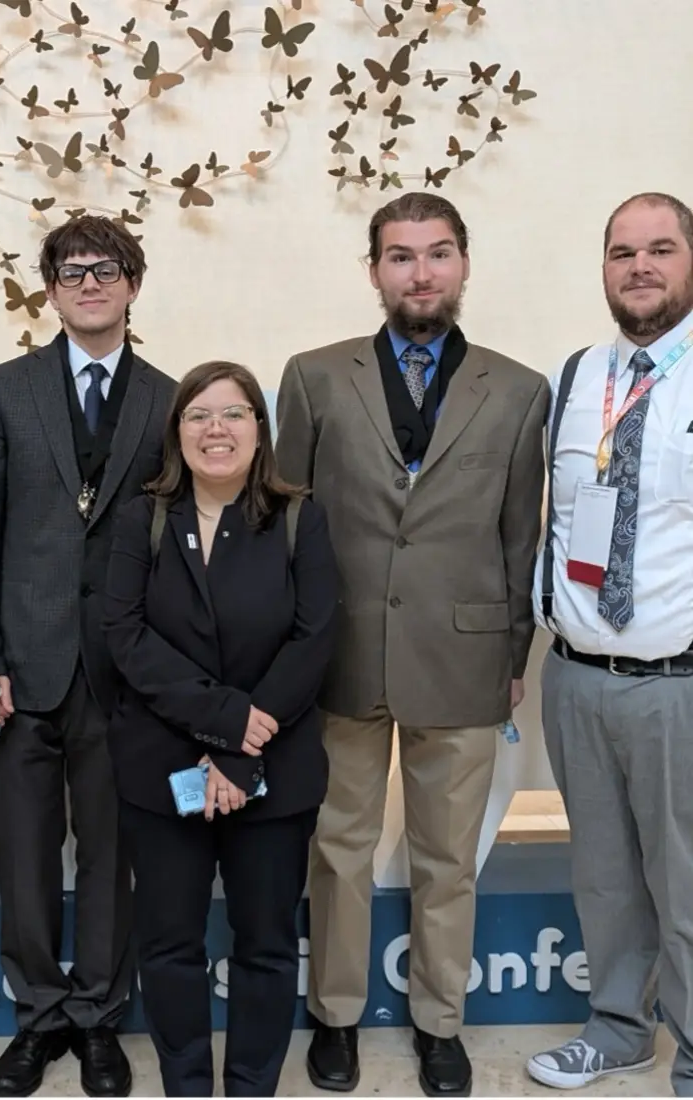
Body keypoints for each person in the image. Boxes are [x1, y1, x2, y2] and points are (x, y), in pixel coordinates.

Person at [275, 192, 549, 1098]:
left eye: (437, 254)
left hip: (466, 661)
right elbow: (290, 529)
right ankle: (338, 1016)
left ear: (464, 263)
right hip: (342, 654)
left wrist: (511, 659)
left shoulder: (518, 391)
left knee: (447, 856)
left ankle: (440, 1023)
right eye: (401, 256)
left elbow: (521, 537)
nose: (420, 273)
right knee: (339, 847)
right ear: (374, 270)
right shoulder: (315, 377)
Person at [0, 214, 176, 1098]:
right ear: (50, 287)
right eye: (73, 270)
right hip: (20, 669)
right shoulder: (2, 389)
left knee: (111, 860)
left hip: (124, 675)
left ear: (132, 283)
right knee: (24, 855)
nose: (90, 283)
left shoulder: (168, 397)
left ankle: (97, 1020)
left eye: (108, 268)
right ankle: (37, 1016)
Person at [102, 360, 337, 1096]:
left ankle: (250, 1085)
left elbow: (315, 638)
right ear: (177, 431)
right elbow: (124, 632)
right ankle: (188, 1084)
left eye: (233, 413)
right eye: (198, 415)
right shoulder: (144, 517)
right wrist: (224, 724)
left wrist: (242, 754)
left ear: (260, 429)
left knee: (266, 943)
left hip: (275, 769)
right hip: (161, 762)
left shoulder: (301, 515)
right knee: (169, 943)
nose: (216, 429)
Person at [526, 191, 693, 1097]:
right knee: (603, 873)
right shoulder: (578, 376)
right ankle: (620, 1028)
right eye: (623, 251)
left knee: (689, 880)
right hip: (577, 674)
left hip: (680, 682)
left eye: (661, 249)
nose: (640, 267)